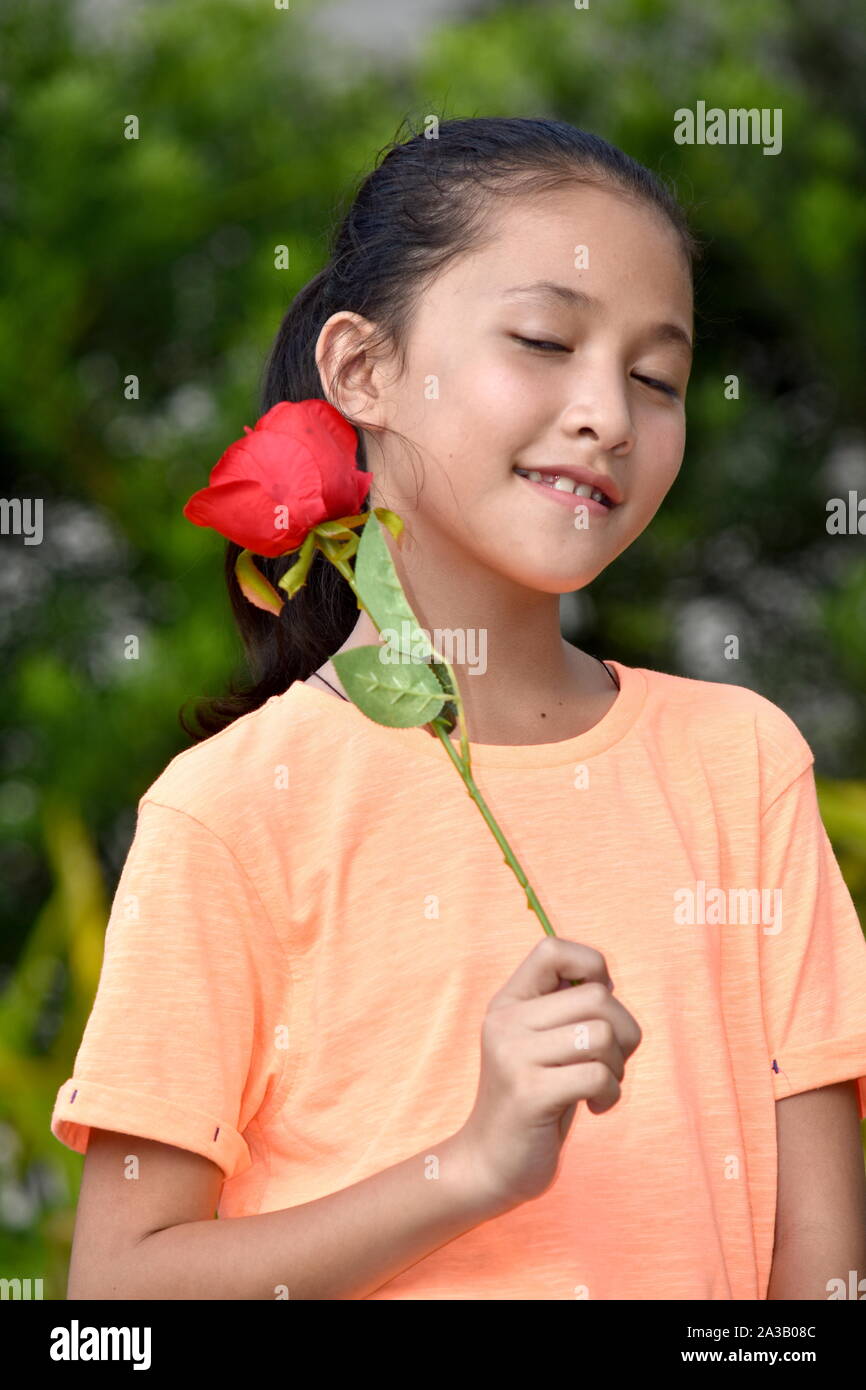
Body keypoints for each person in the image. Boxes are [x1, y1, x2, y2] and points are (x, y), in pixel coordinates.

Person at [52, 116, 866, 1300]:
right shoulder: (230, 811)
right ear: (362, 370)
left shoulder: (739, 766)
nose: (608, 413)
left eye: (656, 377)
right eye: (543, 339)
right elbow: (115, 1302)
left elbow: (823, 1279)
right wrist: (471, 1166)